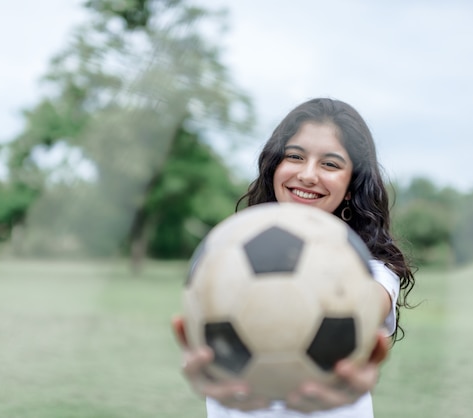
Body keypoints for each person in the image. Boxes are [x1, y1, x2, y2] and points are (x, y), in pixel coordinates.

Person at [171, 97, 415, 417]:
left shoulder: (369, 269)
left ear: (352, 185)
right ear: (275, 167)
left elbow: (366, 301)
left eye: (330, 164)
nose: (308, 175)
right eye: (295, 156)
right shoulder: (228, 252)